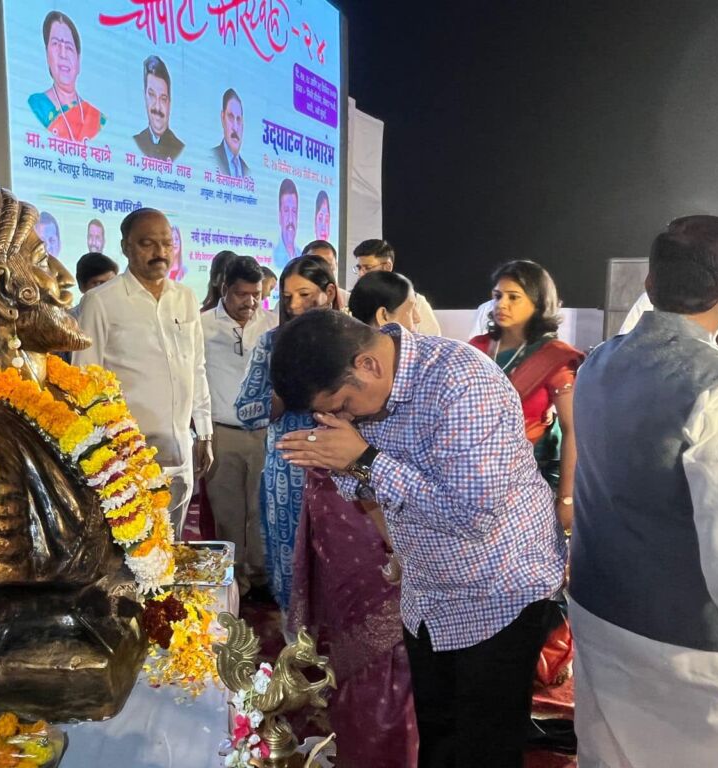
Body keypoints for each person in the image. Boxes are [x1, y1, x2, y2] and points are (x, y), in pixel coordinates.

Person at [270, 310, 566, 768]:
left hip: (498, 589)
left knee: (484, 747)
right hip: (427, 594)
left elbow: (473, 513)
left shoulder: (461, 382)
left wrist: (364, 459)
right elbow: (369, 490)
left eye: (343, 405)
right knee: (438, 736)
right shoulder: (365, 390)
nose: (342, 418)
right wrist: (395, 541)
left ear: (368, 364)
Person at [569, 215, 718, 767]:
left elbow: (673, 363)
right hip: (693, 652)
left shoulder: (600, 361)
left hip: (600, 613)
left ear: (649, 282)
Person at [289, 268, 419, 768]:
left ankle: (390, 745)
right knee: (360, 634)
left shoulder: (405, 382)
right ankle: (366, 740)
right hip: (351, 521)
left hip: (386, 520)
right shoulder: (340, 378)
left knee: (394, 648)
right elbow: (350, 468)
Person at [74, 208, 211, 534]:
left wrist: (204, 432)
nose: (160, 252)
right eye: (148, 243)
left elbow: (196, 368)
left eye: (167, 243)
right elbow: (86, 383)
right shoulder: (100, 302)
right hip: (125, 457)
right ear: (125, 247)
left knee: (174, 543)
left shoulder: (185, 298)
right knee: (133, 547)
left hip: (180, 449)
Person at [235, 255, 339, 611]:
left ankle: (340, 638)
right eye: (288, 296)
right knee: (291, 562)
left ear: (329, 293)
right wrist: (282, 393)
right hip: (289, 476)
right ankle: (296, 635)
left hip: (343, 471)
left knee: (341, 562)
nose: (294, 305)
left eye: (305, 295)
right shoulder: (272, 343)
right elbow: (246, 411)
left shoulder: (352, 342)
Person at [469, 261, 583, 530]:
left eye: (513, 297)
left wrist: (566, 498)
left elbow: (573, 429)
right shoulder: (476, 348)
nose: (501, 304)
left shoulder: (555, 357)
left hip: (531, 479)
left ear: (538, 302)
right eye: (497, 296)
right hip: (474, 477)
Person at [201, 256, 276, 597]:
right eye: (241, 294)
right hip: (222, 432)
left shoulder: (272, 325)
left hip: (264, 432)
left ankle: (260, 577)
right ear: (224, 289)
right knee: (228, 511)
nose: (250, 302)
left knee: (262, 509)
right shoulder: (202, 326)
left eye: (256, 294)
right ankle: (234, 583)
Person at [27, 11, 103, 142]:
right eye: (56, 44)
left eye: (69, 47)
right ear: (47, 54)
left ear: (78, 60)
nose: (63, 54)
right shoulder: (36, 105)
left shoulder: (97, 119)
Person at [353, 238, 441, 335]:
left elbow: (433, 339)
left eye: (368, 268)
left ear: (387, 267)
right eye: (359, 268)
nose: (361, 274)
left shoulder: (417, 301)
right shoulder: (353, 300)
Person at [133, 55, 184, 161]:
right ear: (145, 97)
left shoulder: (180, 149)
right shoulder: (135, 142)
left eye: (163, 99)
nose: (157, 107)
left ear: (169, 103)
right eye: (152, 95)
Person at [212, 88, 249, 177]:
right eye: (231, 117)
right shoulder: (212, 158)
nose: (235, 128)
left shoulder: (246, 170)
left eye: (238, 119)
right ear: (223, 118)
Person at [272, 179, 299, 268]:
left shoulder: (302, 256)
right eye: (286, 211)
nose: (291, 219)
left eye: (294, 211)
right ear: (280, 216)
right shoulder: (273, 256)